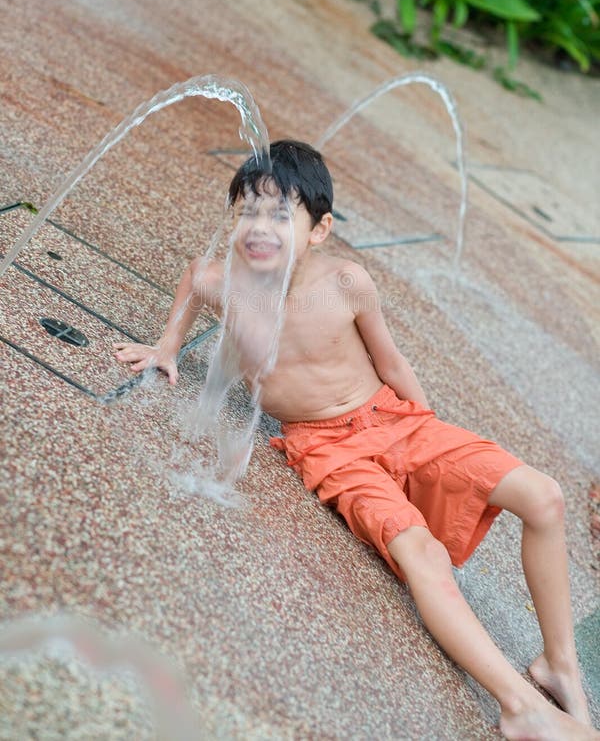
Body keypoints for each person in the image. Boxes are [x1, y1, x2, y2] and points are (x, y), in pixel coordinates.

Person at [114, 140, 596, 740]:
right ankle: (517, 705)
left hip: (393, 419)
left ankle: (559, 663)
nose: (258, 227)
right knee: (422, 552)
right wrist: (165, 346)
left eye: (279, 213)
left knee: (544, 497)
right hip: (323, 446)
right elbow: (193, 278)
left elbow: (393, 365)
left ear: (319, 229)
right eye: (247, 211)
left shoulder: (345, 281)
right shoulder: (227, 284)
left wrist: (429, 445)